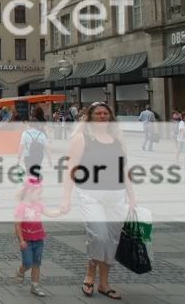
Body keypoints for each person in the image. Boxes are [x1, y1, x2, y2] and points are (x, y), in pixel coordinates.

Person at [60, 102, 136, 300]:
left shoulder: (118, 139)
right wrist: (66, 197)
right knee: (99, 236)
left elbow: (124, 169)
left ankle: (104, 283)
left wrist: (132, 197)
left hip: (116, 195)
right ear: (90, 117)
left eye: (105, 113)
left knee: (112, 240)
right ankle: (89, 274)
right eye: (98, 113)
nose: (102, 116)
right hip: (90, 193)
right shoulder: (82, 138)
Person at [14, 177, 62, 297]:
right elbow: (17, 225)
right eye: (38, 194)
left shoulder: (38, 205)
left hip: (39, 239)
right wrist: (21, 240)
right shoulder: (21, 207)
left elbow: (49, 213)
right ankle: (20, 271)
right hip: (26, 241)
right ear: (29, 193)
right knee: (28, 263)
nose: (40, 196)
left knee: (37, 263)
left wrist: (61, 212)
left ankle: (35, 285)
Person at [17, 108, 52, 178]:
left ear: (29, 125)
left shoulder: (25, 133)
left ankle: (31, 183)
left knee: (29, 173)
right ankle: (35, 183)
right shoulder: (42, 134)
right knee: (36, 171)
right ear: (38, 125)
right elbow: (47, 148)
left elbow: (21, 146)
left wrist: (19, 157)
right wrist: (49, 159)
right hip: (39, 155)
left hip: (27, 155)